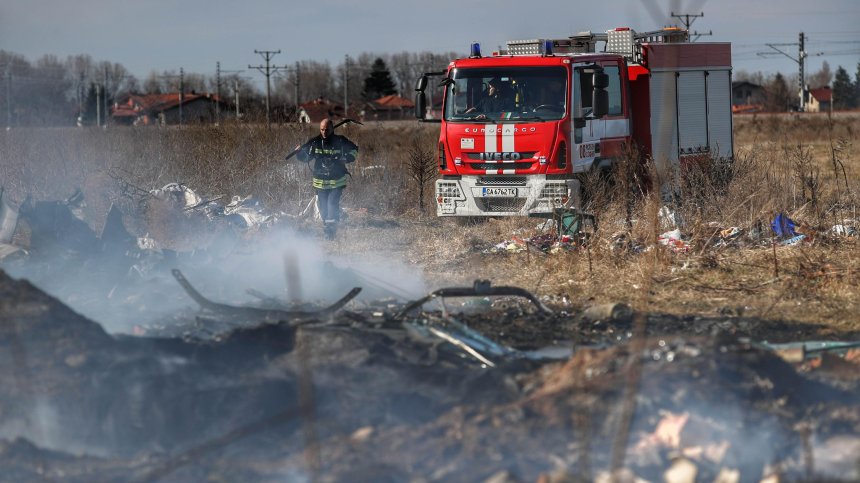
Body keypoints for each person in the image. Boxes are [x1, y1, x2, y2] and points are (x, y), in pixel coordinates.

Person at [294, 118, 359, 240]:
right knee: (323, 208)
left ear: (332, 129)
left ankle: (331, 233)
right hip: (320, 182)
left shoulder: (340, 141)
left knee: (332, 204)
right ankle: (329, 226)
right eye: (322, 129)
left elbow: (355, 150)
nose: (324, 132)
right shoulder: (315, 143)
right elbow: (306, 158)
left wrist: (346, 158)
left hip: (336, 181)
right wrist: (298, 153)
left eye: (327, 129)